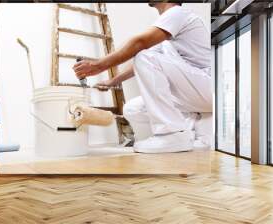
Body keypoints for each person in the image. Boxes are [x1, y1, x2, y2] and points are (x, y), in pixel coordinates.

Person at [73, 2, 212, 153]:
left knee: (145, 56)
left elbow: (140, 45)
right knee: (133, 109)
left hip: (207, 89)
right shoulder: (166, 32)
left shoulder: (178, 13)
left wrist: (98, 66)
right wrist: (112, 82)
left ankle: (171, 135)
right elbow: (141, 64)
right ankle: (185, 134)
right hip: (193, 93)